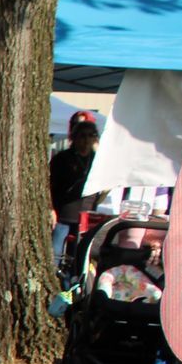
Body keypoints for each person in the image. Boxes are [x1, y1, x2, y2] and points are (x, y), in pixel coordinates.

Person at [51, 112, 100, 270]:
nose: (86, 140)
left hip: (86, 218)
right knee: (55, 257)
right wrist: (51, 209)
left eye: (91, 135)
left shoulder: (97, 161)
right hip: (63, 216)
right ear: (74, 137)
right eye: (82, 135)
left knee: (80, 260)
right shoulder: (62, 158)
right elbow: (49, 186)